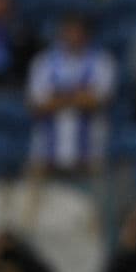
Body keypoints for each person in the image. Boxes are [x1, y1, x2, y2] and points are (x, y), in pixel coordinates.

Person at [26, 12, 116, 177]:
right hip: (48, 154)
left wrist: (57, 96)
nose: (73, 37)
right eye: (69, 31)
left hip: (89, 154)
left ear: (87, 34)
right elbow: (37, 104)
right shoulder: (44, 62)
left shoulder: (101, 61)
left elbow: (99, 101)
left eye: (78, 32)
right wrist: (79, 95)